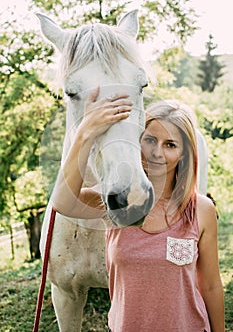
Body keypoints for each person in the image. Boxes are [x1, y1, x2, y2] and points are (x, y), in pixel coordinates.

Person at [51, 88, 225, 332]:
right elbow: (62, 202)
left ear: (184, 154)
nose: (157, 152)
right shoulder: (117, 200)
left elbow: (211, 285)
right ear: (137, 140)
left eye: (170, 145)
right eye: (150, 140)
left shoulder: (201, 209)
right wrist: (85, 132)